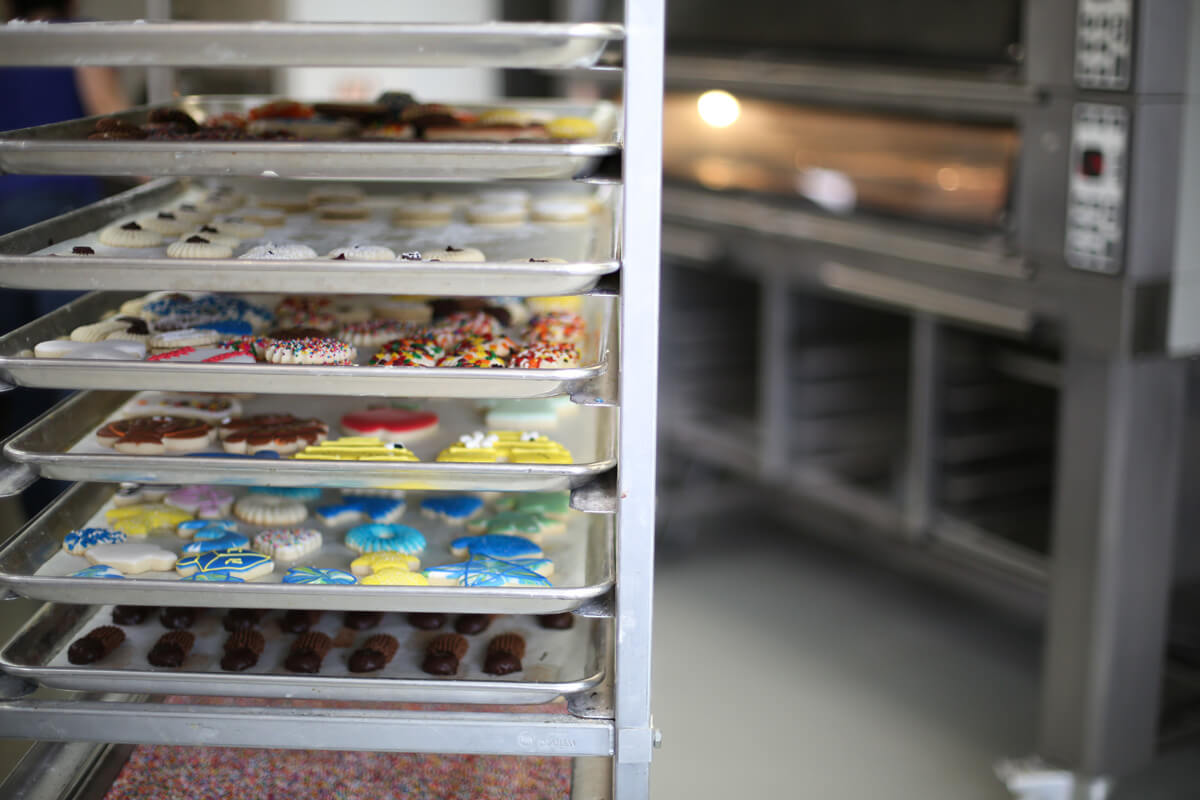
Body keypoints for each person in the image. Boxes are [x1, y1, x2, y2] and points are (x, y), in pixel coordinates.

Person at [0, 0, 131, 518]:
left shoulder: (5, 40)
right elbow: (115, 127)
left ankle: (24, 499)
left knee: (12, 370)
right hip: (63, 227)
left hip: (3, 220)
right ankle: (63, 509)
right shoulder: (78, 39)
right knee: (62, 366)